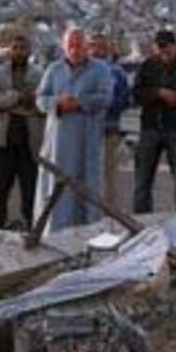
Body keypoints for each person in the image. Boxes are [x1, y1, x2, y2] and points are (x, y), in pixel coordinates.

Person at [34, 28, 114, 232]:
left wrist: (79, 103)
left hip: (86, 140)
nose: (75, 50)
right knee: (56, 185)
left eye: (79, 45)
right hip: (57, 142)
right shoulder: (53, 70)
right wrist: (57, 103)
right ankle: (54, 231)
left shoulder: (101, 70)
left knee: (86, 184)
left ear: (87, 47)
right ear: (64, 47)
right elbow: (40, 100)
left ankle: (88, 231)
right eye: (71, 45)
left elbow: (106, 98)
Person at [133, 29, 176, 213]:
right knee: (142, 182)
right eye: (160, 48)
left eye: (167, 48)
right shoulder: (147, 66)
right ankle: (141, 222)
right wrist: (158, 93)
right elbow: (136, 94)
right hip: (150, 127)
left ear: (175, 47)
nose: (164, 53)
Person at [0, 33, 45, 231]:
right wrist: (15, 98)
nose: (19, 52)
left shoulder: (39, 74)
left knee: (31, 188)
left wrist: (30, 102)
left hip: (30, 140)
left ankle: (31, 226)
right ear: (9, 51)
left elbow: (43, 101)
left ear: (29, 51)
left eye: (23, 48)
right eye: (15, 48)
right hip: (4, 138)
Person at [86, 31, 130, 211]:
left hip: (108, 129)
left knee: (109, 174)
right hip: (84, 129)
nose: (97, 50)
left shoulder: (116, 72)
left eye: (101, 47)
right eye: (93, 46)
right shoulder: (81, 70)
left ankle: (109, 212)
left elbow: (124, 99)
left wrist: (101, 103)